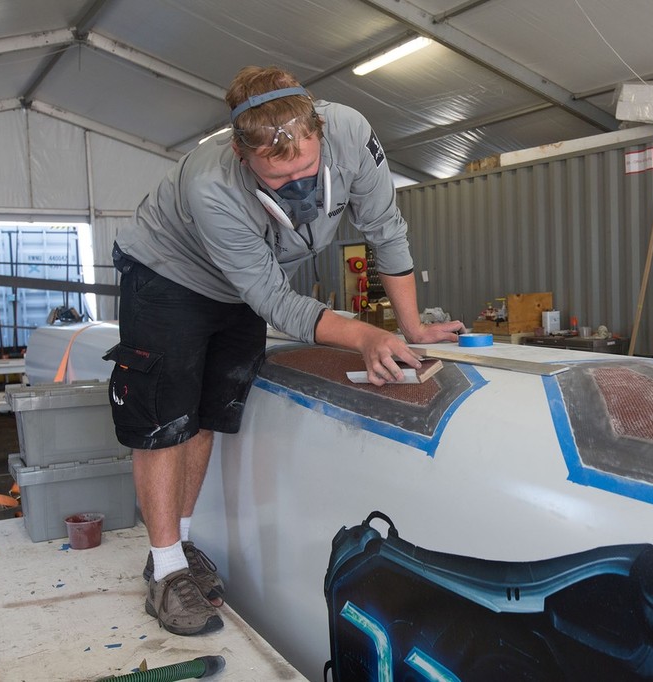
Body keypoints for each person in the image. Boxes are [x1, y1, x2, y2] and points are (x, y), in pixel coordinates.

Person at [106, 65, 465, 636]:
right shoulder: (211, 183)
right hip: (170, 276)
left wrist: (412, 326)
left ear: (320, 130)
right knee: (164, 418)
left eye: (307, 167)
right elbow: (275, 301)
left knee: (206, 413)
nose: (298, 185)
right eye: (279, 177)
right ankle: (165, 568)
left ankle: (182, 546)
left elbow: (385, 227)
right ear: (242, 154)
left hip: (245, 280)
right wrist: (364, 335)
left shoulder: (351, 134)